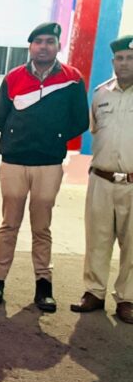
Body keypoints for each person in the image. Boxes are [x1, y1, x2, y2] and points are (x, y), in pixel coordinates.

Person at [0, 22, 89, 312]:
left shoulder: (72, 79)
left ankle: (44, 287)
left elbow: (80, 120)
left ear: (58, 46)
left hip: (49, 163)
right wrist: (18, 138)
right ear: (30, 46)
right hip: (14, 162)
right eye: (39, 41)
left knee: (42, 228)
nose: (44, 46)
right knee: (9, 225)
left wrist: (54, 137)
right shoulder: (13, 77)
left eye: (49, 41)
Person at [70, 35, 133, 324]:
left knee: (132, 244)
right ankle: (94, 292)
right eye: (120, 58)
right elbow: (95, 129)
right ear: (113, 62)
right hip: (102, 179)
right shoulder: (100, 94)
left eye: (130, 58)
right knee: (97, 238)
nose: (124, 63)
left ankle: (127, 299)